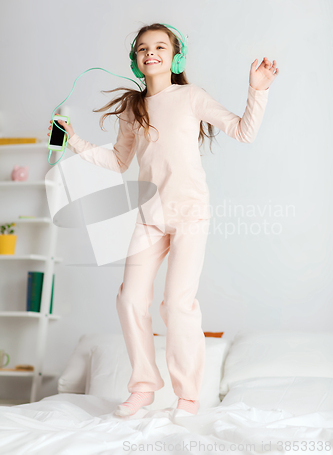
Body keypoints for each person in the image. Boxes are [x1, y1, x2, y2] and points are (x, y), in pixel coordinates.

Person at [48, 23, 278, 417]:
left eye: (159, 46)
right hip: (150, 216)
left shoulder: (191, 97)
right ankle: (144, 385)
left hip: (190, 213)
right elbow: (117, 161)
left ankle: (188, 395)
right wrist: (74, 141)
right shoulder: (132, 108)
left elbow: (244, 131)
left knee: (177, 304)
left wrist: (257, 89)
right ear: (135, 61)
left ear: (176, 56)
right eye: (142, 48)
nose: (150, 52)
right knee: (130, 298)